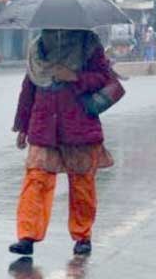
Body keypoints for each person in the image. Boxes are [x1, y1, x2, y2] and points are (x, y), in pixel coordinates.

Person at [9, 29, 114, 257]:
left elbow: (104, 78)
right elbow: (29, 88)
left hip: (78, 123)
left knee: (82, 183)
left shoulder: (88, 43)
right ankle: (27, 236)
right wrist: (23, 126)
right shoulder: (38, 48)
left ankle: (82, 235)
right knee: (36, 179)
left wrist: (74, 77)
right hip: (43, 123)